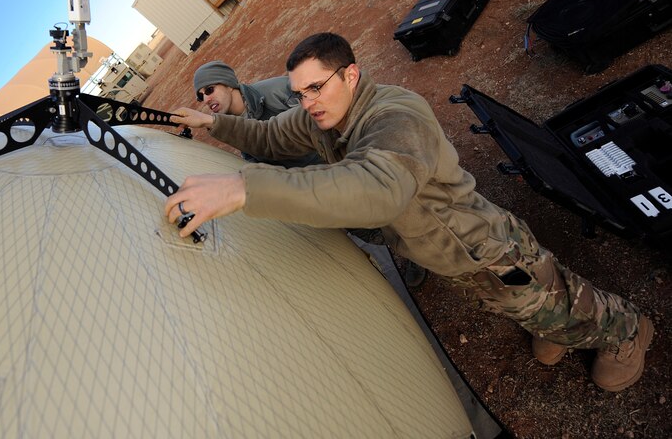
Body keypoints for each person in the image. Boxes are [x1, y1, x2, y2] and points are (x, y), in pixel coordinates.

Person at [166, 32, 653, 392]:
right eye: (299, 93)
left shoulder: (396, 115)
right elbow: (269, 136)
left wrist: (243, 188)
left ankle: (626, 329)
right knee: (527, 307)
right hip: (435, 248)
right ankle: (554, 325)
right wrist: (214, 121)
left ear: (350, 74)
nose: (307, 102)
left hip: (481, 247)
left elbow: (377, 190)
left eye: (316, 88)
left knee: (542, 296)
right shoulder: (321, 116)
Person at [193, 60, 320, 168]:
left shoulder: (277, 90)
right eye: (201, 96)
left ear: (229, 85)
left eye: (209, 90)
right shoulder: (230, 125)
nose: (206, 100)